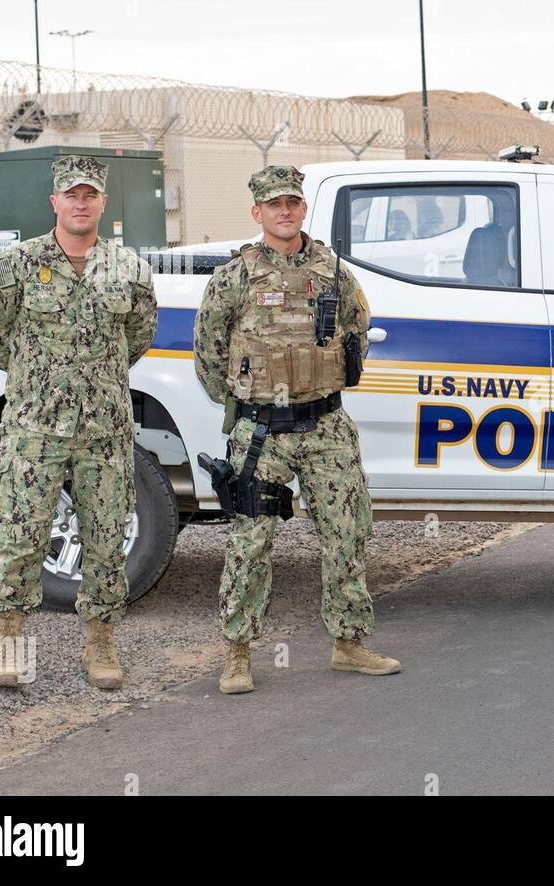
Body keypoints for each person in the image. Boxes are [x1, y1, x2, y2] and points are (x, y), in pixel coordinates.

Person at [193, 165, 399, 694]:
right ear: (256, 212)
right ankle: (238, 654)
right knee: (251, 541)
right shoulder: (234, 277)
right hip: (262, 433)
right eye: (273, 204)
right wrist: (245, 401)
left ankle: (349, 643)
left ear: (303, 208)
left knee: (347, 532)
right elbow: (208, 353)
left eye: (292, 202)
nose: (284, 211)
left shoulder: (333, 272)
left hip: (325, 424)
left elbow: (358, 331)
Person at [0, 154, 157, 689]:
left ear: (103, 202)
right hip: (35, 431)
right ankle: (7, 643)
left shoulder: (129, 270)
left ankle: (100, 645)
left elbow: (136, 339)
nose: (81, 202)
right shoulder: (17, 266)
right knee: (21, 535)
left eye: (90, 194)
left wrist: (91, 380)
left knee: (105, 539)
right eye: (71, 194)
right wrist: (41, 378)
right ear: (55, 201)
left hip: (104, 433)